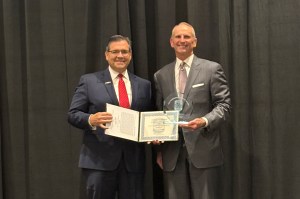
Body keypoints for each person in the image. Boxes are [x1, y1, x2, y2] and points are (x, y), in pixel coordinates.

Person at [68, 35, 152, 199]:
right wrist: (91, 120)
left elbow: (148, 117)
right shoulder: (89, 81)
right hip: (98, 161)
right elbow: (72, 114)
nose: (120, 55)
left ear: (130, 54)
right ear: (106, 55)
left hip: (132, 163)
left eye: (124, 51)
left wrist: (153, 133)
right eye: (115, 51)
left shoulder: (144, 85)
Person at [153, 22, 232, 199]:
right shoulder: (160, 75)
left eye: (186, 37)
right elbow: (160, 111)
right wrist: (158, 146)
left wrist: (204, 121)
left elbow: (224, 106)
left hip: (202, 150)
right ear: (171, 42)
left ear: (194, 42)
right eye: (178, 37)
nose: (182, 40)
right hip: (172, 154)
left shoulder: (212, 69)